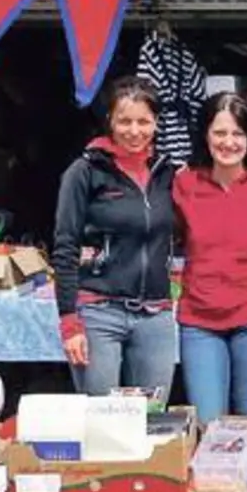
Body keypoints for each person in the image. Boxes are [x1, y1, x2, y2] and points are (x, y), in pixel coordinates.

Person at [52, 76, 177, 397]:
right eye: (125, 121)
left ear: (157, 123)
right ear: (110, 120)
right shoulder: (85, 171)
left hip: (155, 315)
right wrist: (69, 321)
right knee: (101, 420)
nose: (134, 131)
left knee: (153, 421)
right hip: (98, 312)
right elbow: (65, 248)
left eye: (143, 121)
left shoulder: (168, 173)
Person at [173, 93, 247, 422]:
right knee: (209, 425)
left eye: (238, 133)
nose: (228, 142)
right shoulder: (183, 184)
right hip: (199, 321)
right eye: (219, 133)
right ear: (205, 135)